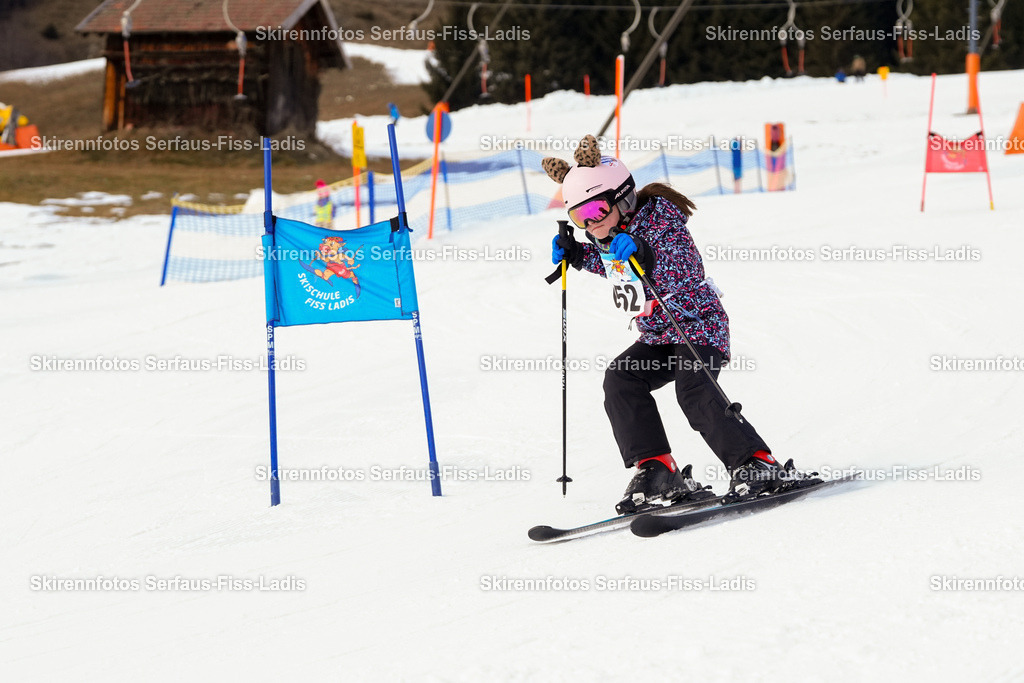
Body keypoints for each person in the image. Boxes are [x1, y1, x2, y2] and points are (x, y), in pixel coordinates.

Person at [543, 135, 816, 514]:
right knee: (621, 379)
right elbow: (615, 269)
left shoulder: (663, 223)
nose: (592, 224)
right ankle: (658, 469)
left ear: (622, 198)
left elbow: (682, 268)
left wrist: (644, 252)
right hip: (657, 336)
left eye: (596, 212)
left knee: (693, 389)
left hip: (697, 328)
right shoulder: (611, 233)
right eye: (580, 218)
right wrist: (577, 254)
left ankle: (755, 464)